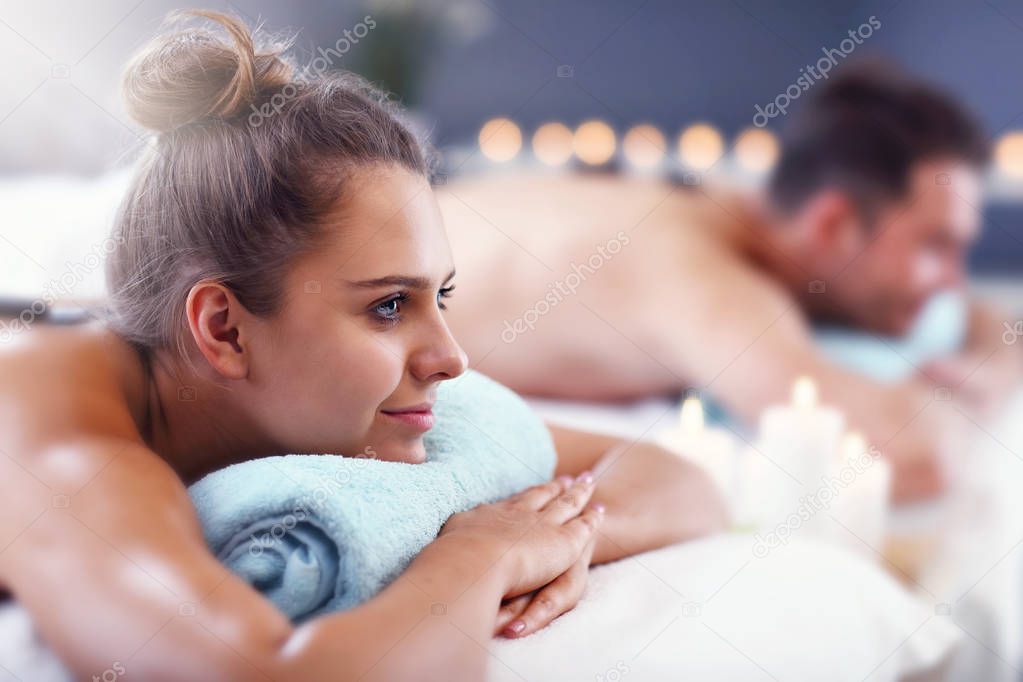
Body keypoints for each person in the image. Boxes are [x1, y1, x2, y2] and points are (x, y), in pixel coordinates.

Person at [0, 12, 726, 681]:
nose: (451, 358)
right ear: (223, 328)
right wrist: (483, 556)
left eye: (437, 297)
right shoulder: (45, 433)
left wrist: (565, 539)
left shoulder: (299, 390)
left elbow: (667, 474)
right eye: (387, 306)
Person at [439, 61, 1021, 503]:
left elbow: (986, 319)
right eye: (935, 245)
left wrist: (992, 366)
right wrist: (976, 399)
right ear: (835, 223)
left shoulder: (730, 210)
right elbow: (916, 459)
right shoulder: (699, 277)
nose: (952, 280)